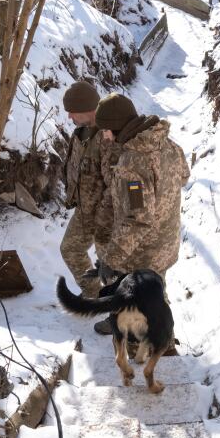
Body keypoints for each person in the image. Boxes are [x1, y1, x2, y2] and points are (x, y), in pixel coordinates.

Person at [91, 93, 190, 336]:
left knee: (147, 297)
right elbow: (184, 176)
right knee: (154, 290)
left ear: (117, 126)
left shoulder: (132, 162)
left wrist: (111, 258)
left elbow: (137, 219)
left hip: (144, 248)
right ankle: (125, 322)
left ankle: (158, 343)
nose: (104, 136)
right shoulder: (168, 144)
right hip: (166, 238)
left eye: (105, 130)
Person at [59, 81, 104, 298]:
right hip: (85, 210)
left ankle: (120, 313)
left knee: (115, 264)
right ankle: (94, 293)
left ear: (88, 109)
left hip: (107, 214)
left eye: (72, 112)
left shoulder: (109, 136)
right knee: (70, 248)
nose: (69, 117)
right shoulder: (81, 132)